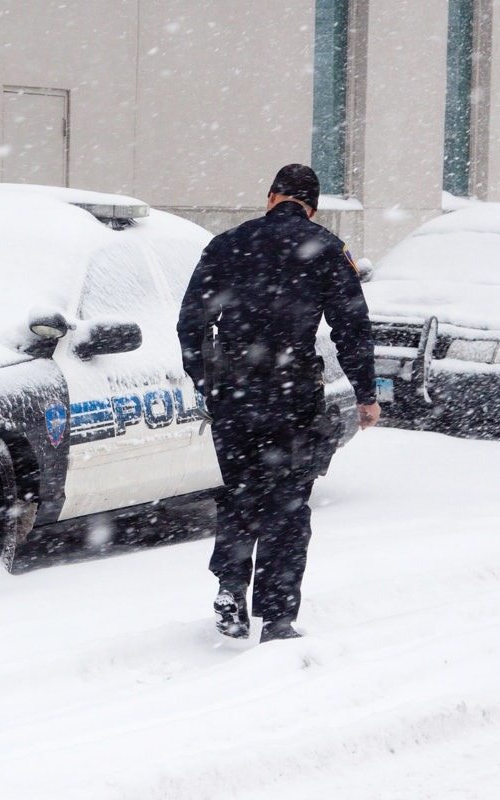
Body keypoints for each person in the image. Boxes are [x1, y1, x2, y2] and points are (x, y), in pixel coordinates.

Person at [176, 164, 380, 644]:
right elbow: (352, 327)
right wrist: (367, 394)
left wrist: (207, 379)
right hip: (292, 396)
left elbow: (190, 321)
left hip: (235, 393)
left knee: (242, 491)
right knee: (288, 502)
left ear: (271, 197)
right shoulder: (328, 249)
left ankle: (230, 586)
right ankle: (277, 618)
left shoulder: (227, 244)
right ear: (312, 206)